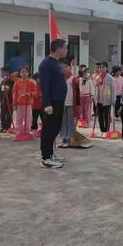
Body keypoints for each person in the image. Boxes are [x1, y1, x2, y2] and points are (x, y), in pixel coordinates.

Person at [39, 38, 68, 168]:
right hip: (52, 102)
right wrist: (47, 103)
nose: (66, 50)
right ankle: (46, 157)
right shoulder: (46, 63)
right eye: (65, 47)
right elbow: (44, 85)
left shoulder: (56, 63)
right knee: (48, 129)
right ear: (58, 48)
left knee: (55, 128)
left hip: (59, 100)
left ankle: (51, 153)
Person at [58, 60, 80, 148]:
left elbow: (78, 91)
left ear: (70, 68)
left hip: (71, 104)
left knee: (70, 122)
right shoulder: (60, 79)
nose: (64, 69)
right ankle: (64, 138)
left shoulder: (73, 79)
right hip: (63, 103)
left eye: (66, 67)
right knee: (63, 122)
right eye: (62, 67)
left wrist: (78, 104)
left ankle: (70, 139)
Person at [12, 66, 37, 137]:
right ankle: (19, 131)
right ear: (19, 73)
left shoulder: (31, 82)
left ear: (28, 73)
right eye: (22, 72)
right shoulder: (17, 83)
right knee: (19, 118)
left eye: (25, 72)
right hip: (19, 103)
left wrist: (29, 94)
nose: (24, 73)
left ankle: (27, 131)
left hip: (28, 104)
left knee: (28, 118)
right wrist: (14, 103)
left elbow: (35, 92)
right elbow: (14, 93)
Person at [94, 61, 116, 136]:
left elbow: (113, 89)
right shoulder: (97, 77)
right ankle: (102, 130)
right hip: (99, 99)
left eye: (103, 67)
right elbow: (95, 88)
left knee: (106, 116)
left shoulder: (110, 78)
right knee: (100, 116)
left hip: (107, 100)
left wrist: (113, 99)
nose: (101, 69)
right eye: (100, 67)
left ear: (106, 68)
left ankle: (106, 131)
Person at [0, 66, 13, 132]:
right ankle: (3, 127)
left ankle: (8, 127)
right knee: (2, 114)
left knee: (9, 114)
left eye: (2, 72)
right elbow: (0, 92)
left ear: (7, 72)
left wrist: (7, 86)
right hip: (3, 101)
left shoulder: (11, 80)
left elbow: (10, 90)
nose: (1, 74)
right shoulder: (3, 81)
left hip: (10, 101)